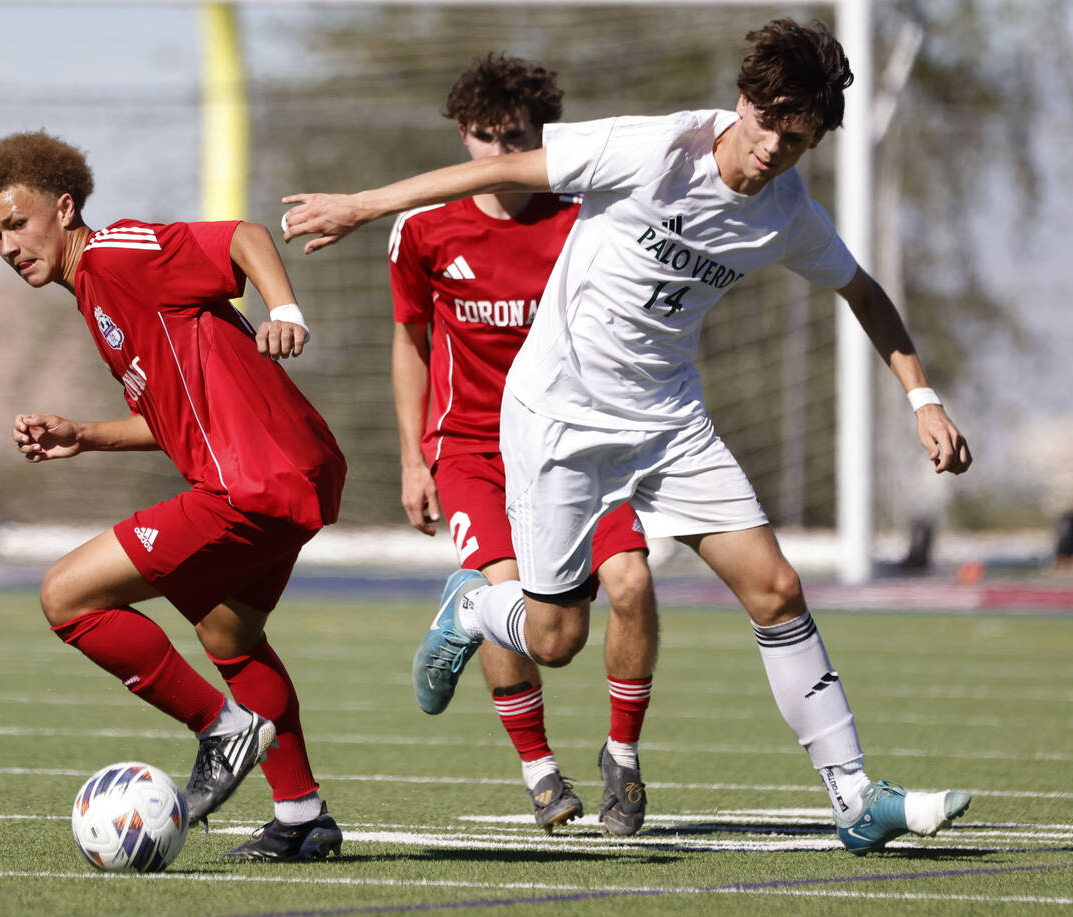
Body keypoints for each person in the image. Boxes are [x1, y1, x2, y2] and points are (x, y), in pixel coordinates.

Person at [281, 19, 976, 855]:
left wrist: (922, 397)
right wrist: (363, 204)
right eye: (766, 129)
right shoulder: (653, 150)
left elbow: (863, 291)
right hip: (558, 420)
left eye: (797, 141)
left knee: (777, 589)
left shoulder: (787, 212)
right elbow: (501, 167)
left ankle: (856, 795)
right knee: (554, 637)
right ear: (742, 104)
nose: (773, 154)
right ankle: (471, 606)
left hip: (670, 424)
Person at [0, 130, 345, 861]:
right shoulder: (98, 298)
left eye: (18, 223)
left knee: (66, 596)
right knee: (228, 635)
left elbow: (242, 236)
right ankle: (302, 817)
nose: (9, 245)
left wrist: (285, 309)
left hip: (251, 481)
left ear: (64, 208)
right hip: (292, 470)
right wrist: (83, 434)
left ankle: (221, 728)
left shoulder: (114, 255)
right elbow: (173, 420)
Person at [390, 54, 659, 835]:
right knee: (529, 608)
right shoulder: (424, 228)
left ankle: (624, 759)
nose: (498, 153)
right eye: (481, 137)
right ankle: (541, 774)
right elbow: (409, 340)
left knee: (629, 587)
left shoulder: (588, 213)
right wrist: (414, 458)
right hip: (474, 450)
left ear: (545, 135)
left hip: (581, 442)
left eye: (515, 137)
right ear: (461, 134)